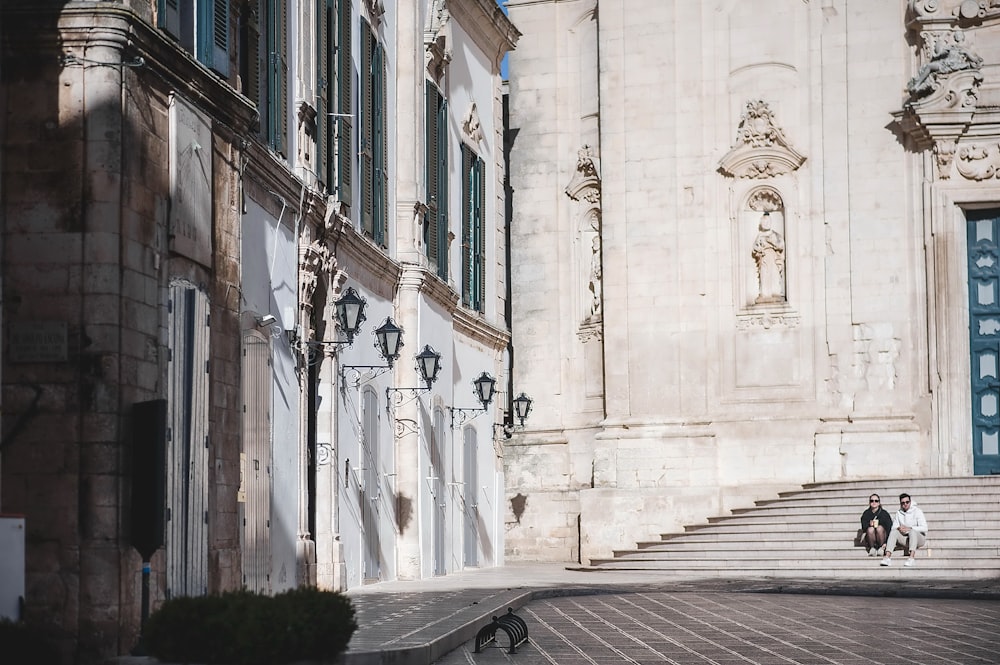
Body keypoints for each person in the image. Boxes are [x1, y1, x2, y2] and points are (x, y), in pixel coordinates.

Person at [880, 493, 928, 567]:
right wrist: (899, 528)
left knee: (912, 532)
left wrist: (910, 528)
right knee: (894, 532)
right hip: (906, 538)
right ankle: (887, 557)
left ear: (910, 502)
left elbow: (924, 528)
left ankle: (911, 558)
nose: (905, 504)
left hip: (919, 538)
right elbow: (893, 527)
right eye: (903, 503)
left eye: (907, 502)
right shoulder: (899, 513)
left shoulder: (917, 511)